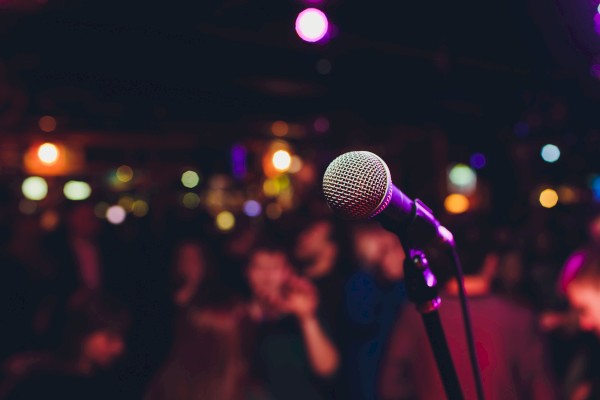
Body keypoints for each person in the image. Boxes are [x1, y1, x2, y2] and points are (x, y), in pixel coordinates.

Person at [378, 228, 557, 400]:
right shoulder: (519, 317)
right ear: (491, 262)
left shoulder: (416, 314)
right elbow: (541, 390)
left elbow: (391, 387)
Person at [145, 237, 252, 400]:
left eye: (194, 258)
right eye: (184, 258)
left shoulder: (221, 300)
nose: (189, 264)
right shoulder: (160, 305)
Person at [245, 236, 340, 400]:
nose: (267, 276)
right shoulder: (237, 318)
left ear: (288, 272)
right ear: (247, 272)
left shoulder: (302, 315)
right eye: (259, 267)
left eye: (274, 268)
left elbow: (327, 370)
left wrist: (307, 318)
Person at [0, 291, 130, 400]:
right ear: (82, 333)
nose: (119, 348)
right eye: (110, 338)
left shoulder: (107, 385)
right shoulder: (38, 378)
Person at [340, 222, 407, 400]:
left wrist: (402, 277)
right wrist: (369, 267)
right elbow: (361, 316)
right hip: (366, 383)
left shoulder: (405, 284)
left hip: (401, 379)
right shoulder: (356, 281)